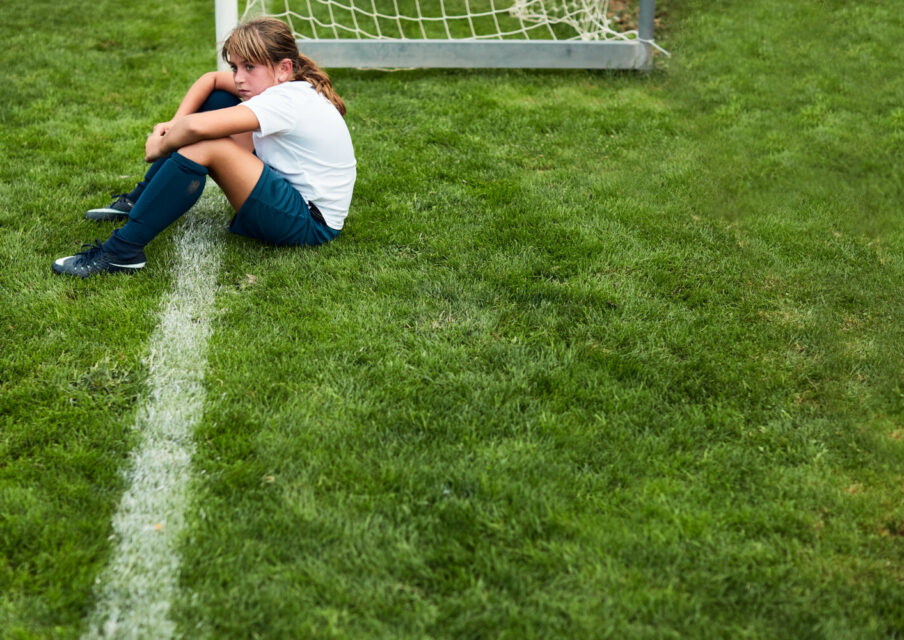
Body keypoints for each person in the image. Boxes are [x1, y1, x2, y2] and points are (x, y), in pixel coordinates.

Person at [53, 17, 356, 278]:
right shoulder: (288, 86)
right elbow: (211, 81)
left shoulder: (286, 100)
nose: (239, 78)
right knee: (220, 101)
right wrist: (174, 123)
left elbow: (197, 129)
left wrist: (160, 145)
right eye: (235, 67)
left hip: (310, 223)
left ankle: (121, 252)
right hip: (290, 193)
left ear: (283, 68)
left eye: (249, 67)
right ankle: (138, 201)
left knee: (204, 146)